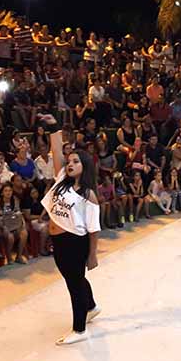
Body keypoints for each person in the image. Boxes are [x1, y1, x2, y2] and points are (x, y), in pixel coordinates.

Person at [43, 130, 101, 345]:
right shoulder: (61, 181)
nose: (70, 164)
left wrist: (92, 255)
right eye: (69, 161)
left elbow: (94, 229)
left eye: (76, 161)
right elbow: (56, 148)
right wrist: (53, 126)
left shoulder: (88, 194)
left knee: (74, 285)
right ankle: (92, 306)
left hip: (75, 242)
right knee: (74, 279)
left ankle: (79, 330)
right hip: (58, 242)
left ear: (84, 165)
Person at [0, 183, 29, 265]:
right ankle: (9, 257)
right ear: (2, 193)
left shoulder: (15, 200)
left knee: (24, 233)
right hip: (1, 227)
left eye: (10, 190)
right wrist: (0, 226)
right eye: (6, 191)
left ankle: (19, 256)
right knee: (10, 237)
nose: (8, 193)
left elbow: (19, 214)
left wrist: (22, 224)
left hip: (14, 225)